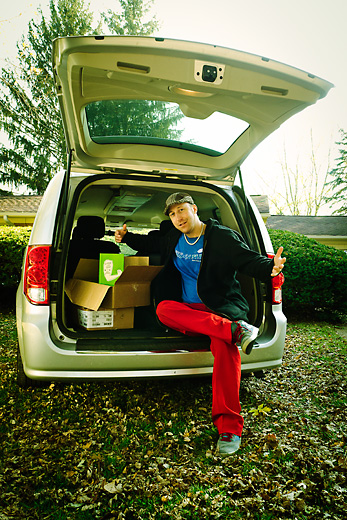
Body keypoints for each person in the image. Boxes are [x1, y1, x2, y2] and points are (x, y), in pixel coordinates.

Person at [115, 192, 286, 457]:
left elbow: (247, 259)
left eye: (182, 210)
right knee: (163, 308)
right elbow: (154, 244)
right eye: (172, 214)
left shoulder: (220, 237)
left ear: (194, 209)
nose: (178, 218)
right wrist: (126, 238)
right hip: (189, 311)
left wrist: (270, 268)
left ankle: (229, 427)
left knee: (225, 347)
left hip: (219, 307)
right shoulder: (175, 237)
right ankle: (235, 330)